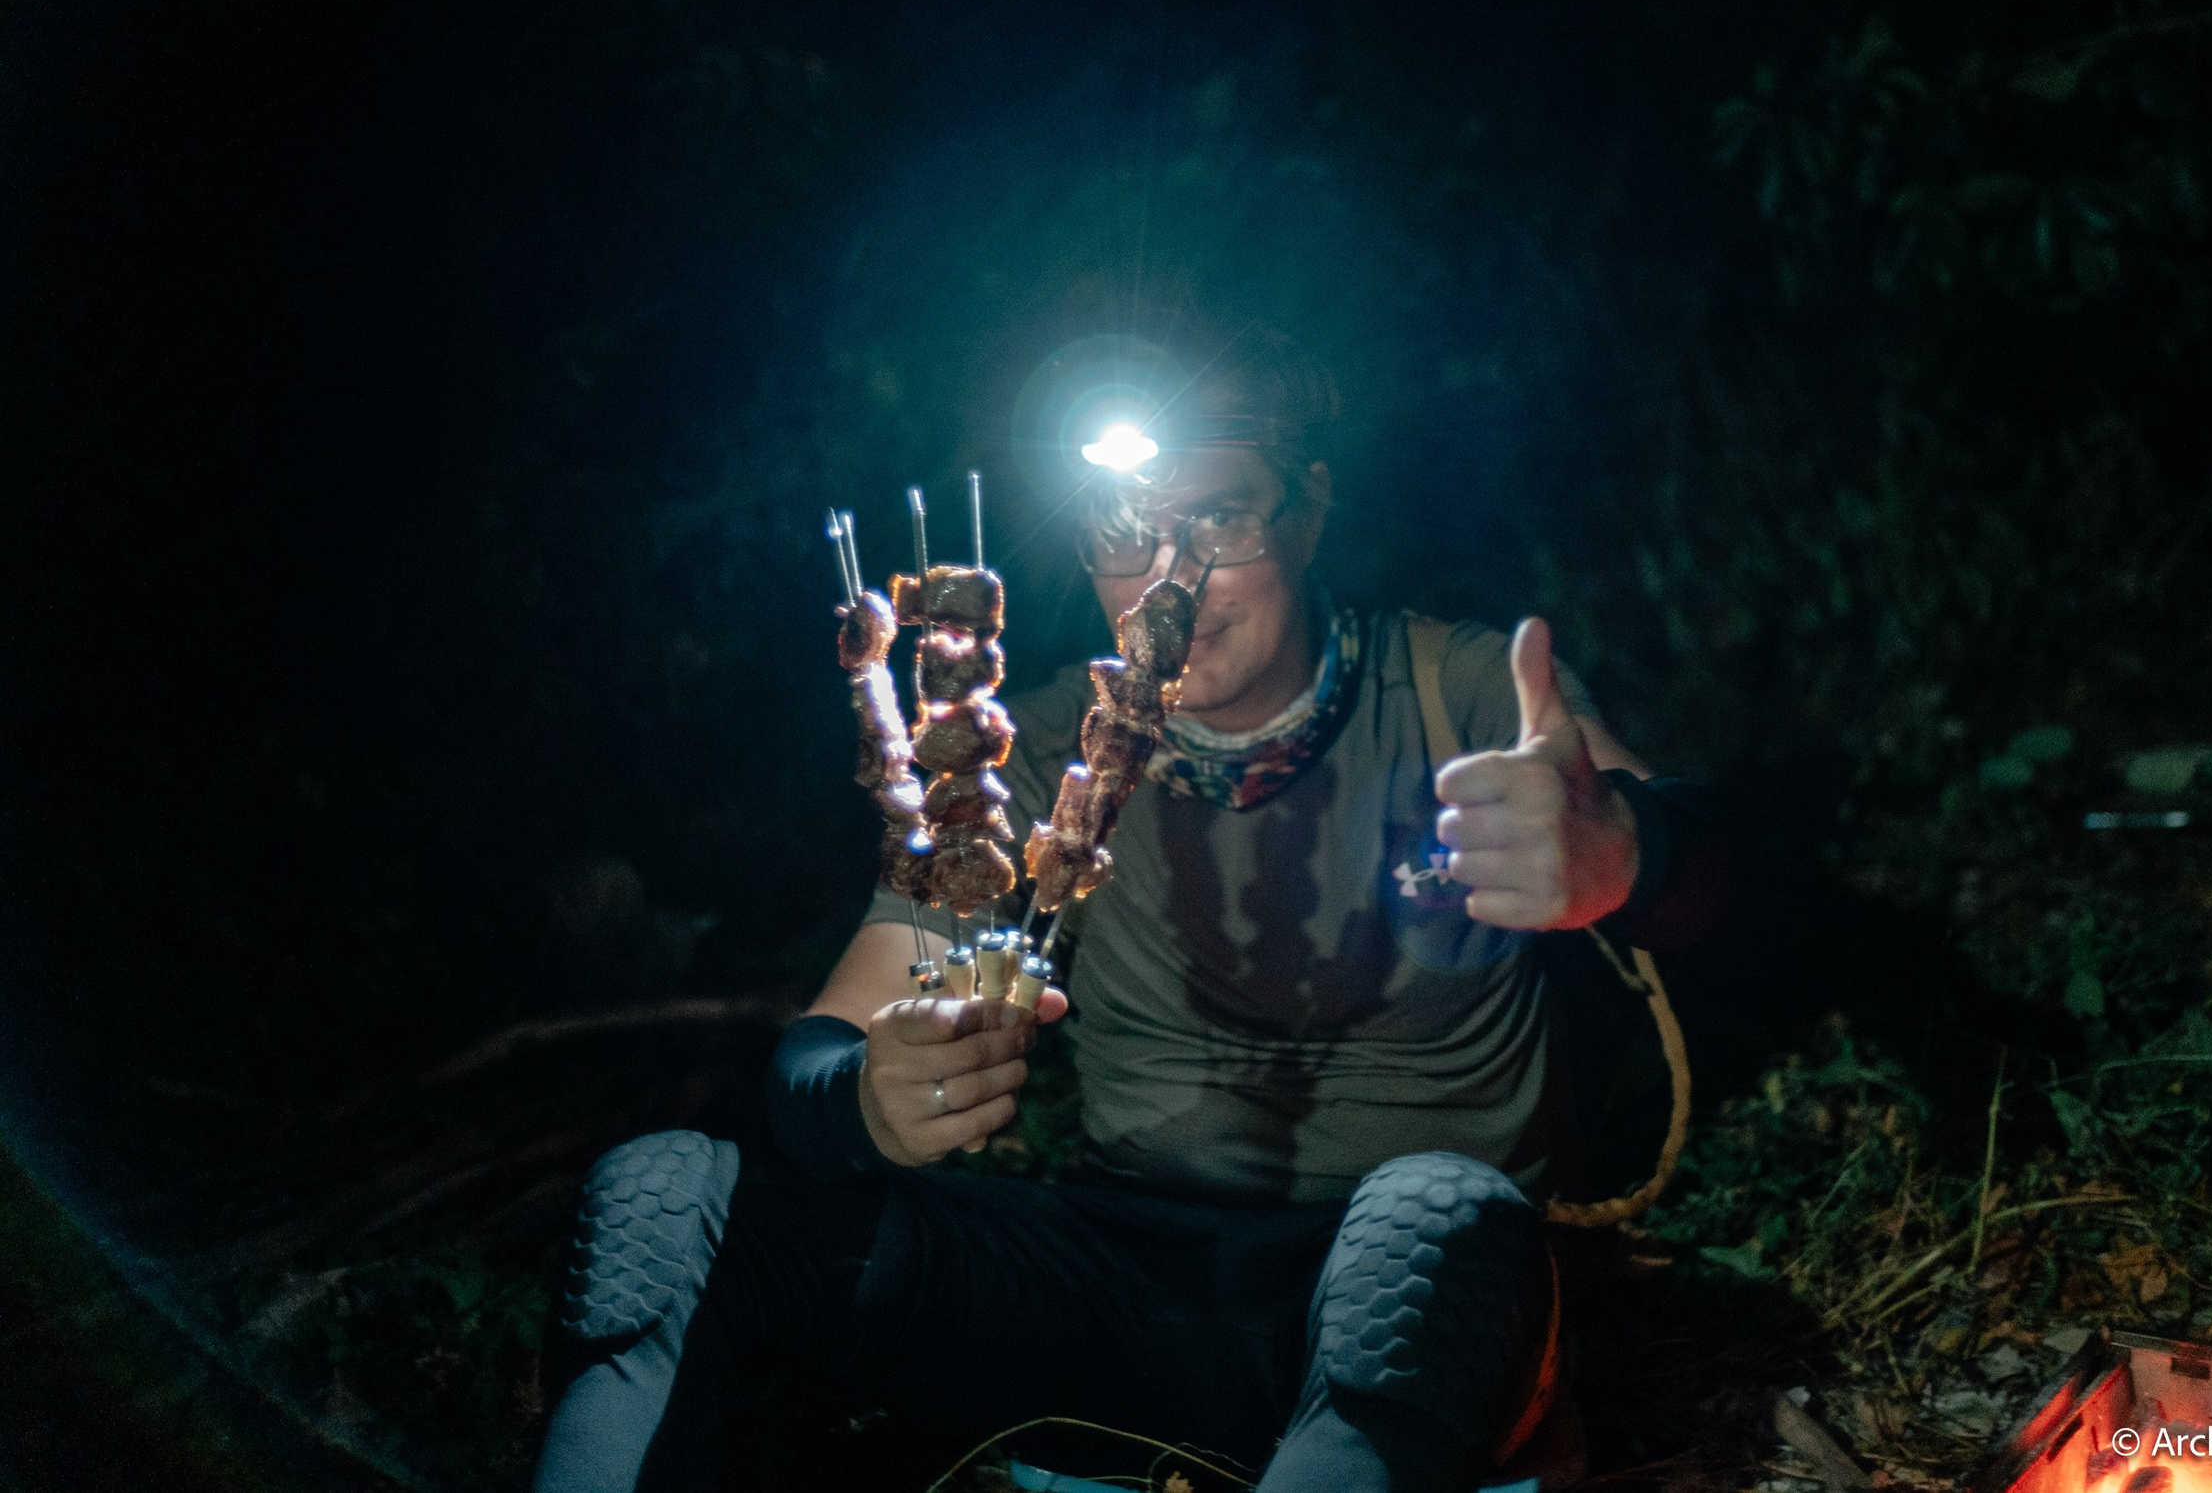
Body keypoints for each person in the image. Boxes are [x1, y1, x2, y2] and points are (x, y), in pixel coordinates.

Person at [531, 337, 1724, 1492]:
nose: (1173, 575)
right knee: (666, 1194)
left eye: (1219, 517)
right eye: (1126, 531)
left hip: (1411, 1298)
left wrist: (1622, 854)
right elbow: (825, 1046)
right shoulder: (1038, 749)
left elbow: (1713, 873)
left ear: (1307, 511)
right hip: (1115, 1283)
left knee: (1433, 1224)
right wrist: (865, 1098)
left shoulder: (1452, 690)